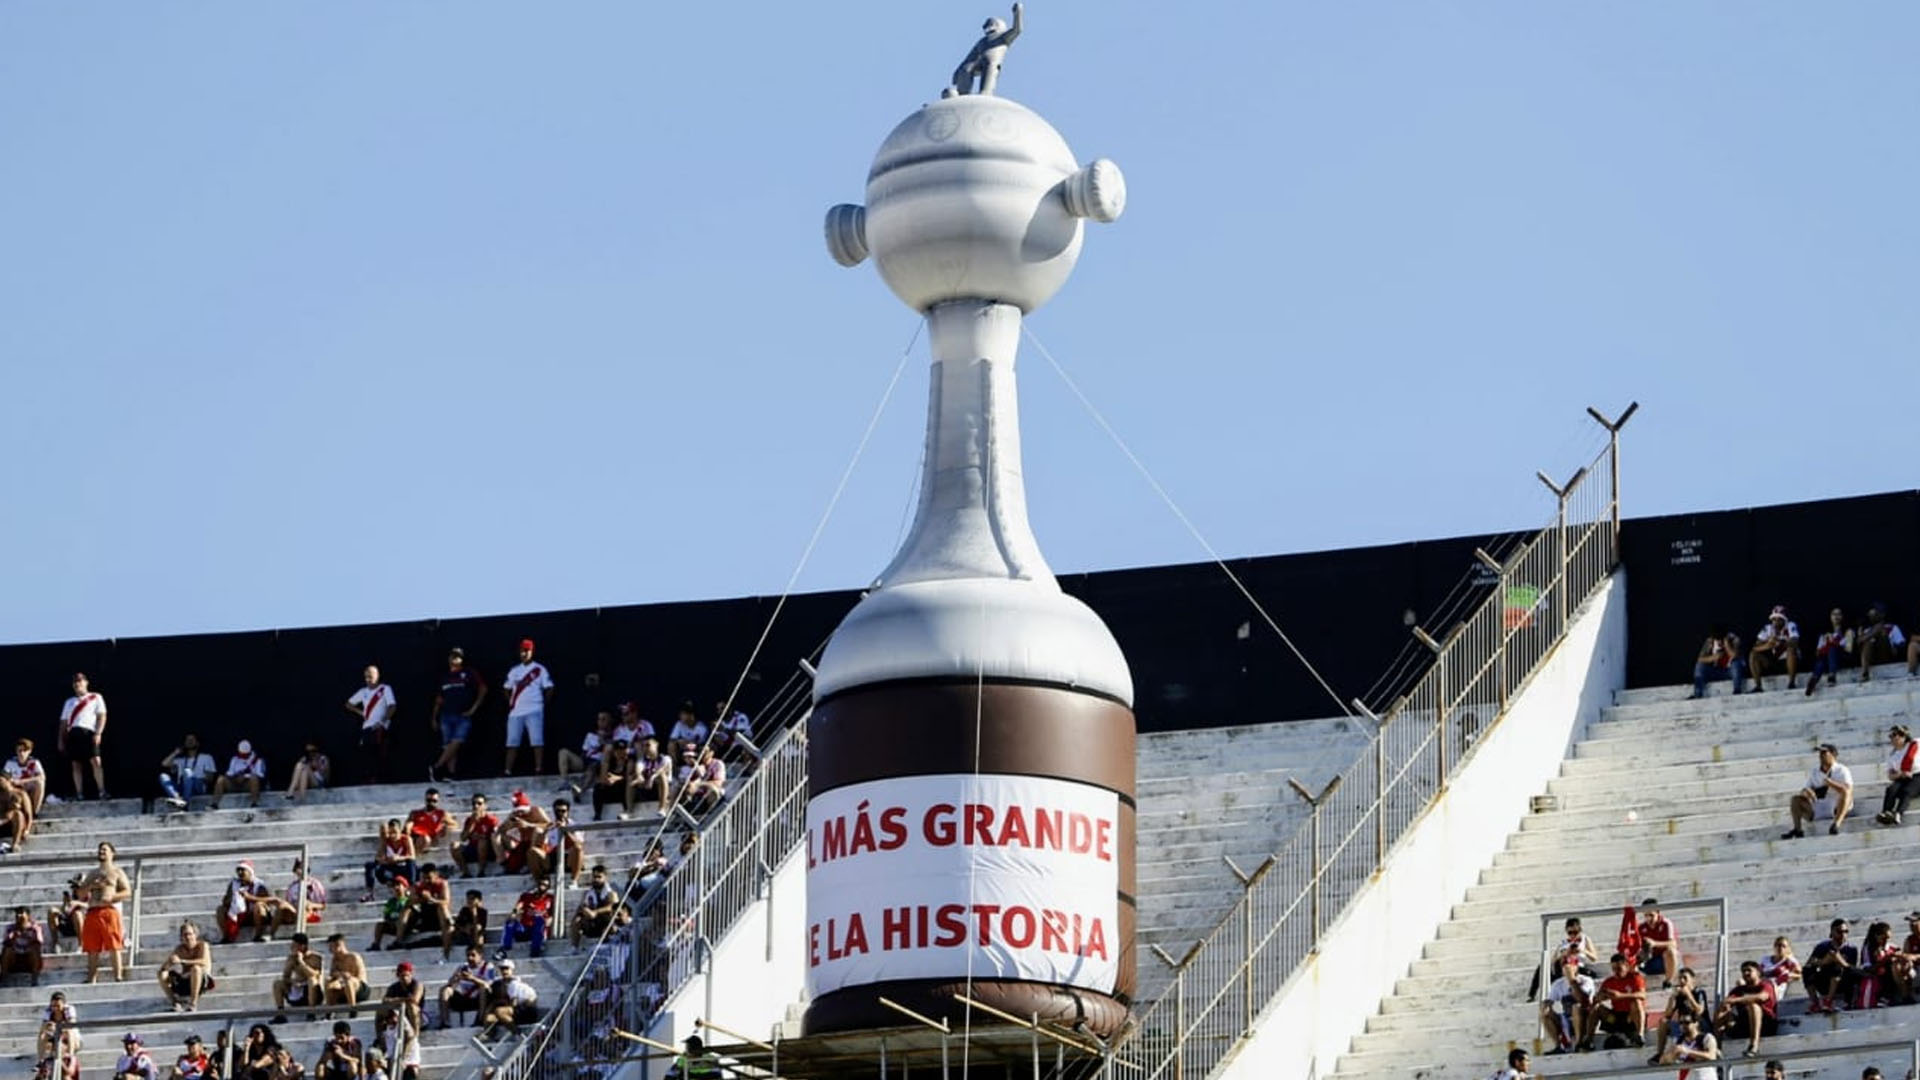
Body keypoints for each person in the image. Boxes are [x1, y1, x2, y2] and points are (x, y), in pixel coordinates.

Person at [429, 646, 487, 783]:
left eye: (458, 656)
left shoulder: (469, 673)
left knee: (458, 740)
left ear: (462, 659)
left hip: (463, 714)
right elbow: (439, 699)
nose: (455, 659)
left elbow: (483, 689)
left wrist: (474, 708)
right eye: (452, 656)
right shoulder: (445, 677)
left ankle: (436, 766)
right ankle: (451, 774)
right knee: (449, 745)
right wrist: (433, 717)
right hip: (445, 715)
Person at [81, 840, 132, 983]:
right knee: (92, 947)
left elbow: (127, 891)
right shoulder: (92, 873)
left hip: (109, 910)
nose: (101, 852)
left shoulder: (117, 872)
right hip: (93, 910)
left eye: (104, 850)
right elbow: (80, 893)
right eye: (100, 850)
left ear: (112, 853)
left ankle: (118, 975)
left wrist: (113, 897)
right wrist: (91, 885)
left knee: (114, 944)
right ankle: (91, 976)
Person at [503, 639, 554, 777]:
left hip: (534, 710)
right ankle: (507, 771)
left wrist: (542, 703)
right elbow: (506, 688)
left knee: (537, 741)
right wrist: (511, 703)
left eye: (526, 651)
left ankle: (538, 769)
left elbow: (549, 687)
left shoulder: (540, 669)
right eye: (522, 651)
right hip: (515, 712)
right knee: (512, 742)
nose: (524, 653)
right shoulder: (514, 670)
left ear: (532, 651)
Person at [1577, 952, 1646, 1050]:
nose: (1616, 972)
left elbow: (1642, 995)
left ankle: (1640, 1035)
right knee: (1597, 1008)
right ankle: (1588, 1040)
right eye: (1614, 969)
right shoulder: (1609, 982)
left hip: (1630, 1018)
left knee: (1636, 1002)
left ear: (1626, 966)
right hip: (1615, 1018)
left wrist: (1620, 996)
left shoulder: (1635, 978)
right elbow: (1596, 999)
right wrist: (1602, 997)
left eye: (1619, 969)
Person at [1785, 742, 1854, 838]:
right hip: (1819, 805)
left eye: (1824, 753)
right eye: (1820, 753)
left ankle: (1836, 824)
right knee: (1795, 800)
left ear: (1833, 755)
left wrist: (1831, 784)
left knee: (1846, 793)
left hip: (1836, 805)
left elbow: (1848, 790)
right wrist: (1807, 792)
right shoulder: (1815, 771)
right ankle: (1798, 829)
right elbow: (1805, 789)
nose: (1821, 756)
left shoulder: (1842, 770)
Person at [59, 672, 110, 800]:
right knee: (76, 764)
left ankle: (102, 791)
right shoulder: (69, 702)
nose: (78, 684)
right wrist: (60, 740)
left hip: (89, 732)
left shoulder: (96, 697)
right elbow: (63, 722)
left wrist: (99, 733)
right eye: (75, 682)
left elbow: (102, 716)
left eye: (80, 681)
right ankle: (79, 794)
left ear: (86, 682)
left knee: (96, 761)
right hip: (74, 733)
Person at [1714, 960, 1778, 1058]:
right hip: (1744, 1026)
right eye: (1743, 971)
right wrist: (1726, 1006)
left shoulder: (1765, 984)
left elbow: (1762, 997)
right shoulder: (1739, 990)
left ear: (1758, 973)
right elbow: (1727, 1001)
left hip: (1766, 1026)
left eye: (1749, 970)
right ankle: (1717, 1048)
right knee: (1721, 1011)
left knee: (1753, 1006)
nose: (1745, 973)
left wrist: (1736, 1000)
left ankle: (1754, 1046)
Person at [1647, 966, 1708, 1065]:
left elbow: (1700, 1011)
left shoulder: (1699, 992)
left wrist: (1689, 995)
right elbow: (1668, 1015)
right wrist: (1672, 998)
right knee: (1663, 1022)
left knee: (1689, 1023)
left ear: (1692, 980)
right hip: (1683, 1023)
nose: (1682, 981)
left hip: (1699, 1024)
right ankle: (1659, 1054)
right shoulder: (1679, 995)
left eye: (1685, 978)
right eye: (1680, 978)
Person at [347, 665, 398, 781]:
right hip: (367, 727)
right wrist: (360, 712)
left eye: (370, 677)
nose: (368, 680)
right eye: (366, 677)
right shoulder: (363, 691)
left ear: (377, 676)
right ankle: (368, 779)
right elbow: (349, 704)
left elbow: (392, 706)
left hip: (380, 727)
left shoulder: (385, 689)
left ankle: (378, 779)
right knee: (366, 754)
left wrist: (383, 721)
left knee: (379, 753)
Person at [255, 859, 328, 937]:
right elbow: (288, 903)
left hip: (309, 912)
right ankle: (271, 934)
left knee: (302, 905)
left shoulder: (315, 884)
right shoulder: (292, 886)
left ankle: (300, 935)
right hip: (293, 911)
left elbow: (323, 905)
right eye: (297, 868)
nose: (298, 870)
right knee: (282, 906)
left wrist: (311, 904)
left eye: (300, 867)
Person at [1537, 955, 1594, 1054]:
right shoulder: (1558, 984)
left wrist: (1572, 980)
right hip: (1567, 1018)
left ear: (1576, 967)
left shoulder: (1586, 981)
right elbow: (1549, 1000)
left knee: (1576, 1007)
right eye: (1564, 966)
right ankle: (1559, 1046)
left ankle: (1579, 1043)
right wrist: (1546, 1006)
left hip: (1584, 1017)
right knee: (1544, 1014)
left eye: (1570, 966)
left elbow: (1582, 999)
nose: (1566, 969)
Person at [157, 920, 215, 1011]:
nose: (188, 937)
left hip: (201, 980)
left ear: (195, 935)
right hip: (185, 981)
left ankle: (193, 1003)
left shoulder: (203, 946)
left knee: (196, 968)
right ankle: (175, 1002)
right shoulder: (179, 949)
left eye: (190, 934)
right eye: (184, 935)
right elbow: (164, 968)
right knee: (162, 974)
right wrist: (170, 963)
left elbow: (204, 961)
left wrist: (183, 961)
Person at [1804, 918, 1859, 1013]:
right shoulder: (1822, 946)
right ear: (1832, 932)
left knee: (1837, 967)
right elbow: (1810, 962)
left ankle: (1828, 1002)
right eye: (1839, 931)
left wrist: (1839, 959)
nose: (1843, 935)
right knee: (1807, 970)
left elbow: (1852, 969)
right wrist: (1824, 961)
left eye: (1846, 931)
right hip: (1825, 980)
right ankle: (1815, 1003)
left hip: (1842, 982)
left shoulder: (1851, 949)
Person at [398, 864, 453, 957]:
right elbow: (409, 902)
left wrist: (431, 899)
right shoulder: (418, 886)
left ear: (436, 875)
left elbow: (446, 901)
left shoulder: (442, 884)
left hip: (438, 916)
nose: (426, 881)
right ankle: (398, 940)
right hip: (424, 915)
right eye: (424, 878)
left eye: (429, 878)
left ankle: (446, 944)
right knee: (406, 910)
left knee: (442, 908)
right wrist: (420, 898)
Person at [271, 933, 326, 1024]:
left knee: (312, 980)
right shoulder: (291, 958)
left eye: (294, 946)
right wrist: (292, 981)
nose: (292, 948)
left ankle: (311, 1012)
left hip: (312, 992)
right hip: (297, 990)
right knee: (277, 983)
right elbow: (285, 977)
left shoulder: (316, 957)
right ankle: (280, 1013)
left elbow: (314, 975)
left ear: (302, 946)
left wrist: (301, 962)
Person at [495, 876, 554, 960]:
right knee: (510, 923)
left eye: (544, 885)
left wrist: (549, 919)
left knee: (539, 919)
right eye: (540, 884)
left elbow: (552, 914)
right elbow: (518, 906)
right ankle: (504, 949)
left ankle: (535, 950)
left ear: (548, 887)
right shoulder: (526, 896)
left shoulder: (550, 899)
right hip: (524, 929)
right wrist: (514, 913)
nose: (541, 886)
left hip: (538, 930)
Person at [528, 798, 585, 884]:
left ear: (568, 812)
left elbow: (578, 843)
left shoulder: (575, 826)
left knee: (578, 848)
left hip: (569, 856)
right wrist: (545, 831)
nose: (560, 814)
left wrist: (565, 830)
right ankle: (540, 882)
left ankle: (574, 881)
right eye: (557, 811)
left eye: (563, 811)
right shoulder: (551, 826)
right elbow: (539, 845)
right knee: (532, 851)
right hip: (553, 856)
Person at [216, 860, 273, 944]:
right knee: (220, 909)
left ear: (250, 871)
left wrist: (249, 898)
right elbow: (225, 900)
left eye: (243, 870)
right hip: (238, 914)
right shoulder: (234, 884)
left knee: (259, 906)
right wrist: (233, 899)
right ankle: (226, 937)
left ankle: (258, 935)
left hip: (254, 914)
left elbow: (267, 901)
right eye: (238, 870)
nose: (240, 873)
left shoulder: (259, 885)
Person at [438, 946, 496, 1029]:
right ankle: (445, 1022)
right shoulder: (462, 967)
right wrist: (455, 979)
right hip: (463, 998)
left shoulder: (488, 967)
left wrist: (473, 979)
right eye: (468, 955)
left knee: (483, 989)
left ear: (480, 956)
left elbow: (489, 985)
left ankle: (480, 1020)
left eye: (473, 955)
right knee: (445, 990)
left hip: (479, 999)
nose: (470, 958)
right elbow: (450, 984)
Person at [559, 711, 615, 796]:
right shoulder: (590, 735)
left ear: (610, 721)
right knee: (563, 752)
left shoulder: (616, 734)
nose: (601, 722)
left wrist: (603, 739)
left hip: (600, 764)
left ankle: (580, 789)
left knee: (592, 766)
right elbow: (584, 752)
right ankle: (564, 782)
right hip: (586, 761)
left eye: (604, 719)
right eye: (599, 719)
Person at [492, 791, 550, 874]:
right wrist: (509, 824)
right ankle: (503, 862)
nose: (520, 813)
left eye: (522, 811)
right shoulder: (515, 815)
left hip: (538, 843)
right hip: (523, 843)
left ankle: (531, 861)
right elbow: (501, 829)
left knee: (538, 830)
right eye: (518, 811)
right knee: (496, 835)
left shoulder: (537, 811)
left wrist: (529, 825)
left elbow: (550, 825)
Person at [360, 820, 418, 902]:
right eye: (390, 832)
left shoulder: (406, 839)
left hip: (404, 869)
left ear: (400, 830)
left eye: (395, 832)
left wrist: (399, 858)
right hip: (390, 869)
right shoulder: (386, 841)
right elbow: (378, 857)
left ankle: (411, 889)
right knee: (370, 865)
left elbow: (412, 856)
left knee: (411, 863)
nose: (393, 835)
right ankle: (369, 893)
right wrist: (387, 860)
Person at [481, 958, 539, 1036]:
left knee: (499, 1011)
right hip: (517, 1011)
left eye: (506, 968)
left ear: (512, 970)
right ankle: (489, 1036)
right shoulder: (500, 983)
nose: (504, 971)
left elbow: (513, 1004)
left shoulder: (514, 983)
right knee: (489, 1017)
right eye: (502, 969)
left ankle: (518, 1034)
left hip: (527, 1009)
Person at [1748, 606, 1800, 692]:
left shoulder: (1791, 625)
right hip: (1773, 661)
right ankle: (1758, 686)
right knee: (1753, 655)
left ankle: (1792, 683)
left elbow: (1795, 642)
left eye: (1779, 619)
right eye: (1774, 619)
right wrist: (1767, 645)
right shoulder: (1767, 628)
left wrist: (1780, 642)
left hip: (1788, 660)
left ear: (1784, 619)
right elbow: (1755, 648)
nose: (1775, 622)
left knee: (1791, 650)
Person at [158, 735, 217, 811]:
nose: (189, 741)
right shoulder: (180, 760)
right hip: (182, 787)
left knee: (187, 772)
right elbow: (164, 764)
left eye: (192, 739)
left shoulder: (206, 757)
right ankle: (177, 799)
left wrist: (192, 778)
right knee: (163, 776)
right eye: (187, 740)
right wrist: (175, 753)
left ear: (198, 743)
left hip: (198, 786)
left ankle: (184, 803)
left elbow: (210, 778)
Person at [1860, 919, 1910, 1008]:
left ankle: (1904, 996)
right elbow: (1867, 969)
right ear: (1876, 936)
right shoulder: (1869, 948)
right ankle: (1884, 997)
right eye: (1883, 938)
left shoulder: (1893, 947)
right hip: (1876, 976)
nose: (1886, 941)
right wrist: (1883, 960)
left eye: (1888, 938)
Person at [1877, 725, 1920, 826]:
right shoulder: (1893, 755)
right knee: (1891, 789)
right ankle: (1886, 812)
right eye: (1890, 736)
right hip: (1902, 777)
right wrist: (1901, 774)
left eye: (1894, 735)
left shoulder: (1916, 744)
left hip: (1917, 775)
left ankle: (1899, 813)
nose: (1892, 738)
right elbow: (1890, 775)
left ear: (1903, 735)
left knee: (1907, 791)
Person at [570, 865, 620, 949]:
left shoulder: (611, 893)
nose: (596, 879)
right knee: (577, 920)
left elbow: (612, 907)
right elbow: (582, 906)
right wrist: (585, 910)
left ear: (605, 878)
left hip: (606, 923)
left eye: (599, 877)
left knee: (612, 921)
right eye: (594, 877)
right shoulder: (588, 893)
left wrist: (595, 912)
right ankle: (574, 947)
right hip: (592, 924)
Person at [1688, 628, 1747, 699]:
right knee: (1699, 666)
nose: (1719, 642)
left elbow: (1734, 655)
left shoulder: (1734, 639)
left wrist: (1727, 645)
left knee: (1736, 663)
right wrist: (1713, 658)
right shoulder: (1710, 641)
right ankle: (1697, 694)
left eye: (1720, 640)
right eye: (1717, 640)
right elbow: (1700, 659)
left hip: (1731, 671)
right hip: (1716, 671)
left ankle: (1737, 690)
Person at [451, 793, 499, 878]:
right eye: (474, 803)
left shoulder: (491, 819)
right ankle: (466, 873)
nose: (476, 806)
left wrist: (482, 836)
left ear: (485, 806)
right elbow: (463, 838)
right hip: (472, 848)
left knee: (482, 842)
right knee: (454, 846)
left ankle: (481, 871)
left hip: (487, 850)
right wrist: (472, 824)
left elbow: (495, 836)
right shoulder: (469, 820)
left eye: (479, 803)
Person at [1807, 607, 1854, 695]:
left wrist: (1835, 642)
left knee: (1832, 649)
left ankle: (1832, 676)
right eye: (1834, 614)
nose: (1836, 616)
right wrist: (1826, 643)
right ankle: (1813, 680)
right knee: (1821, 661)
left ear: (1842, 617)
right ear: (1830, 617)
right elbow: (1817, 652)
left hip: (1842, 659)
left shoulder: (1848, 631)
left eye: (1839, 614)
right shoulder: (1825, 634)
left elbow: (1849, 650)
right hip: (1827, 660)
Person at [210, 740, 266, 810]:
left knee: (254, 778)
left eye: (245, 755)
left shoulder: (258, 760)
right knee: (221, 779)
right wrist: (235, 777)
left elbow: (261, 775)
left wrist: (245, 776)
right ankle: (214, 804)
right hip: (235, 783)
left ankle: (255, 803)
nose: (243, 756)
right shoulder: (235, 759)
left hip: (248, 785)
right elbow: (229, 773)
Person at [324, 933, 370, 1016]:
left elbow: (359, 977)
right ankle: (329, 1011)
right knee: (328, 982)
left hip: (359, 989)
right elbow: (332, 976)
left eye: (331, 947)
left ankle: (353, 1010)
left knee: (349, 981)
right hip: (344, 989)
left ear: (338, 945)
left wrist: (347, 977)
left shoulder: (353, 957)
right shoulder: (335, 960)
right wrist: (338, 975)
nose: (330, 950)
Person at [1857, 603, 1907, 680]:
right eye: (1871, 613)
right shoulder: (1867, 630)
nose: (1871, 614)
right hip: (1872, 657)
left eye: (1875, 612)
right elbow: (1858, 643)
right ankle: (1865, 673)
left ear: (1882, 614)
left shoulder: (1892, 627)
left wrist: (1895, 647)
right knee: (1869, 642)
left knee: (1881, 631)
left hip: (1887, 655)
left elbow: (1901, 644)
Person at [1637, 898, 1680, 985]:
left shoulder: (1666, 924)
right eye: (1646, 915)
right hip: (1648, 961)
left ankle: (1668, 981)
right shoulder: (1641, 928)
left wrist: (1655, 943)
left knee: (1671, 952)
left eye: (1651, 915)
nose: (1649, 919)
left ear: (1658, 912)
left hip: (1663, 961)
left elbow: (1673, 943)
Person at [591, 739, 636, 820]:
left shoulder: (630, 760)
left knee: (625, 784)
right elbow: (603, 775)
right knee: (598, 787)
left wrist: (616, 778)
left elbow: (629, 775)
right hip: (612, 788)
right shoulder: (611, 762)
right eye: (618, 750)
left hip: (624, 788)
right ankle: (597, 814)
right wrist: (607, 780)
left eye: (623, 750)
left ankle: (627, 810)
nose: (620, 753)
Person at [3, 906, 46, 986]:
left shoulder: (35, 928)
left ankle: (35, 978)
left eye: (21, 913)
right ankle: (4, 978)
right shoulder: (11, 928)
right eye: (17, 914)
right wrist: (13, 937)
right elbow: (5, 943)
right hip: (15, 960)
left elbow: (39, 942)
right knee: (7, 949)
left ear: (28, 916)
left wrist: (29, 936)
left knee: (35, 949)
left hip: (29, 960)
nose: (19, 916)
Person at [368, 878, 411, 953]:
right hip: (392, 924)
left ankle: (398, 941)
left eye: (398, 885)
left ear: (405, 887)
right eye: (394, 886)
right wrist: (389, 921)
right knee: (380, 925)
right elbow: (386, 915)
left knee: (399, 922)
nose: (396, 888)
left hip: (405, 925)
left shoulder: (409, 900)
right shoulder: (391, 902)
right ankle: (376, 944)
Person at [45, 877, 86, 955]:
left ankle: (81, 945)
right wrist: (65, 904)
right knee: (52, 911)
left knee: (77, 914)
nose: (74, 889)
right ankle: (56, 944)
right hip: (70, 925)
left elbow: (92, 906)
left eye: (77, 887)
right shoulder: (73, 897)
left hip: (84, 926)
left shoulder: (91, 896)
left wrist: (78, 903)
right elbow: (66, 912)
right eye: (73, 887)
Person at [681, 746, 726, 816]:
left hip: (713, 793)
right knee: (679, 787)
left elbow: (718, 782)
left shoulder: (718, 763)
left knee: (712, 790)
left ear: (712, 753)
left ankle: (711, 816)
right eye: (700, 752)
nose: (702, 754)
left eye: (705, 752)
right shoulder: (698, 765)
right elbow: (690, 781)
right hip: (698, 793)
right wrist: (696, 767)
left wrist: (699, 784)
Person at [403, 789, 451, 854]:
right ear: (425, 800)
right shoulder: (415, 813)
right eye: (429, 800)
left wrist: (445, 827)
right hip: (416, 837)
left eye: (434, 801)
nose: (431, 803)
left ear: (438, 801)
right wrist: (408, 826)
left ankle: (414, 858)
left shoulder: (442, 814)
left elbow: (454, 824)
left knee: (425, 838)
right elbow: (408, 825)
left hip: (431, 838)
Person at [7, 739, 49, 814]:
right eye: (19, 750)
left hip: (30, 789)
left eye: (24, 750)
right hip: (16, 791)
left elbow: (42, 776)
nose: (22, 753)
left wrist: (22, 781)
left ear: (29, 751)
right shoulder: (10, 763)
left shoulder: (34, 762)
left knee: (40, 783)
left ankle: (35, 812)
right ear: (16, 751)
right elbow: (4, 778)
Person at [381, 961, 425, 1032]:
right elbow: (385, 1000)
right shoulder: (393, 987)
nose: (405, 978)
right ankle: (380, 1037)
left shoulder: (417, 985)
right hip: (399, 1015)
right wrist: (404, 1000)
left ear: (411, 974)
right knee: (380, 1010)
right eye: (402, 976)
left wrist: (395, 1000)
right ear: (398, 976)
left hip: (418, 1015)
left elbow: (415, 1000)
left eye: (407, 975)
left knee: (412, 1007)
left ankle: (415, 1036)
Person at [634, 737, 671, 815]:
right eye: (643, 746)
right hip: (648, 786)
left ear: (656, 745)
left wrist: (652, 777)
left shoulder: (665, 758)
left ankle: (662, 808)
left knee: (662, 776)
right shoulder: (642, 760)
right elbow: (639, 767)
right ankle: (629, 810)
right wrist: (639, 776)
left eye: (648, 745)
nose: (645, 748)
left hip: (664, 787)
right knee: (631, 778)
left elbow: (662, 770)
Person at [451, 889, 489, 955]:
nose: (469, 901)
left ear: (478, 900)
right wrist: (464, 929)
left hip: (477, 934)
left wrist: (474, 914)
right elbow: (457, 924)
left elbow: (482, 926)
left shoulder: (483, 911)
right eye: (468, 898)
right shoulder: (464, 910)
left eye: (472, 899)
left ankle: (477, 953)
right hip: (464, 934)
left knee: (478, 930)